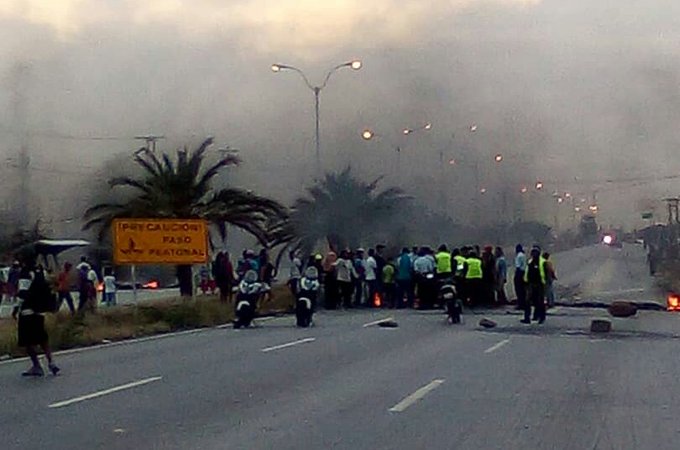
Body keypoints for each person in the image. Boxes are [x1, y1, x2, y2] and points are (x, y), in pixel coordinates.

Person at [12, 264, 60, 376]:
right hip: (40, 310)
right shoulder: (41, 271)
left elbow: (23, 293)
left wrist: (15, 308)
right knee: (42, 338)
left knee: (27, 342)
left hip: (27, 311)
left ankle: (37, 366)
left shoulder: (26, 272)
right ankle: (51, 362)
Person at [522, 247, 547, 324]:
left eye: (535, 252)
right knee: (527, 302)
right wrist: (525, 281)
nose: (534, 254)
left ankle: (541, 317)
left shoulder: (543, 262)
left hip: (539, 284)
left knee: (540, 302)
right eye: (533, 252)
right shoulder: (530, 262)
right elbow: (527, 272)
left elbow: (546, 273)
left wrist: (545, 283)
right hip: (530, 284)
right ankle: (527, 318)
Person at [514, 245, 527, 310]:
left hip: (519, 273)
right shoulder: (524, 255)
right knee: (523, 290)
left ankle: (520, 304)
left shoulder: (519, 256)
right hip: (524, 273)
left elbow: (518, 266)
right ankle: (524, 303)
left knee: (518, 290)